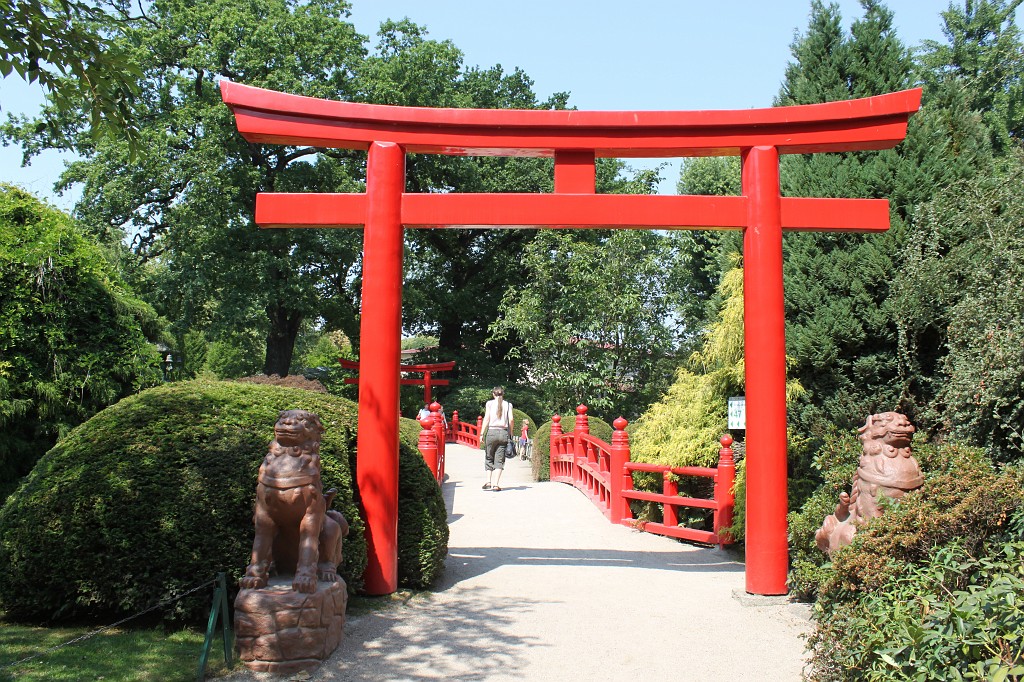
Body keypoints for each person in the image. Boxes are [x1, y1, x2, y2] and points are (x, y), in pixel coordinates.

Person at [478, 386, 514, 491]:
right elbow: (511, 420)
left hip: (492, 432)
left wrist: (481, 434)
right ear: (503, 394)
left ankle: (488, 482)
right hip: (503, 432)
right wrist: (511, 433)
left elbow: (486, 419)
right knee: (500, 459)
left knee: (489, 456)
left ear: (493, 394)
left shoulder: (489, 404)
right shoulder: (508, 405)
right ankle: (496, 484)